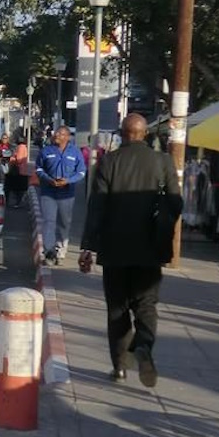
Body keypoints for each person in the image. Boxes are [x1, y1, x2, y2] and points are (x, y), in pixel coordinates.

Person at [79, 114, 182, 386]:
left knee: (117, 309)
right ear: (145, 134)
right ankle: (144, 345)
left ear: (122, 134)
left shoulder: (109, 162)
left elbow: (97, 207)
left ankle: (119, 367)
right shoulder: (163, 162)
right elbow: (176, 203)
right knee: (147, 305)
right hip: (151, 250)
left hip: (115, 250)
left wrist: (88, 247)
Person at [35, 125, 87, 264]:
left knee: (64, 223)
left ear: (67, 137)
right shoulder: (46, 151)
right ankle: (49, 252)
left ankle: (60, 249)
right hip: (48, 192)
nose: (57, 136)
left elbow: (81, 172)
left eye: (60, 134)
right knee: (49, 221)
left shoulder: (75, 152)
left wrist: (69, 181)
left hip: (67, 194)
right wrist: (48, 179)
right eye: (56, 134)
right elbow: (39, 169)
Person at [5, 140, 30, 207]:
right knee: (19, 188)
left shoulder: (20, 147)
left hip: (17, 170)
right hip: (21, 170)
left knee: (14, 187)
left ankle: (16, 202)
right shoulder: (24, 147)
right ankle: (17, 202)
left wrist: (13, 157)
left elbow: (19, 159)